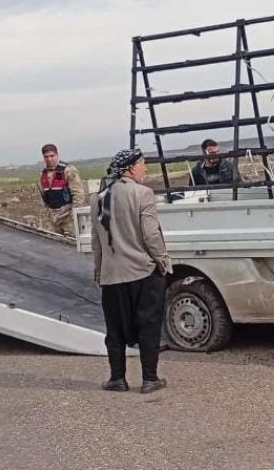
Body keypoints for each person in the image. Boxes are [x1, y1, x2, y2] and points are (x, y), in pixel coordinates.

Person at [92, 148, 170, 394]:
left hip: (111, 275)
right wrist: (163, 262)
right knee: (148, 325)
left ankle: (117, 378)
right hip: (142, 272)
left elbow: (97, 242)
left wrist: (99, 271)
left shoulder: (98, 197)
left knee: (114, 329)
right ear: (130, 168)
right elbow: (151, 235)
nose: (145, 168)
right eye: (142, 164)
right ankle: (149, 379)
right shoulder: (143, 194)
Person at [38, 144, 86, 237]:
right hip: (52, 217)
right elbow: (42, 195)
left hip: (68, 216)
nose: (49, 159)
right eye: (46, 157)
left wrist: (74, 214)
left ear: (57, 155)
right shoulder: (43, 174)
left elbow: (78, 194)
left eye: (52, 156)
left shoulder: (68, 170)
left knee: (71, 244)